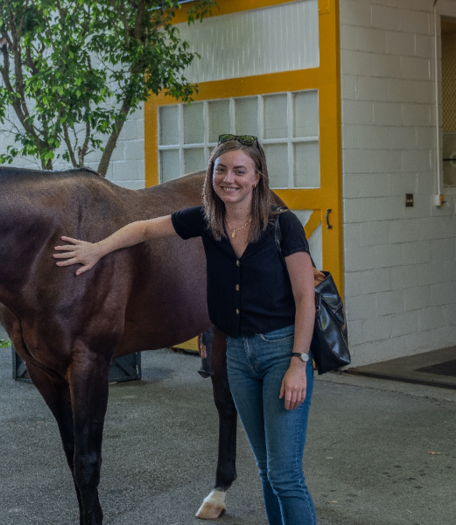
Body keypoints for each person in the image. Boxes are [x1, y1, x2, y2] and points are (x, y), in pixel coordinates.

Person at [53, 135, 317, 525]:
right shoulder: (207, 220)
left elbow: (305, 298)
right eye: (221, 169)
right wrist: (96, 249)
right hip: (240, 358)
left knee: (285, 475)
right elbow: (142, 229)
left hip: (281, 351)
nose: (229, 179)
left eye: (240, 171)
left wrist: (299, 362)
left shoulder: (284, 226)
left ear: (257, 177)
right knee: (265, 469)